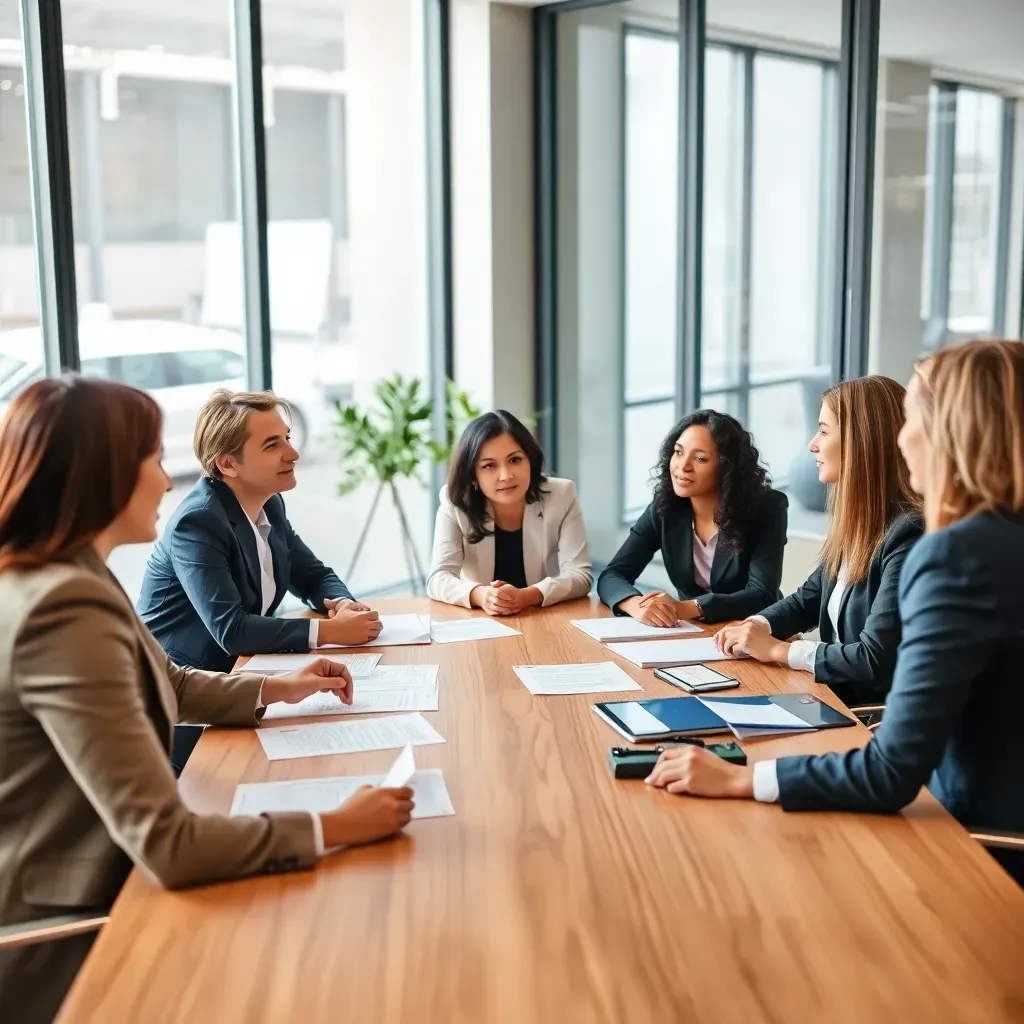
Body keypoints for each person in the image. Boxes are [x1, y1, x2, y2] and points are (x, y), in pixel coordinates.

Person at [0, 377, 415, 1023]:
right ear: (99, 476)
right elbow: (167, 843)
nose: (166, 481)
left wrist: (282, 686)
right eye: (150, 459)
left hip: (116, 874)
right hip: (83, 923)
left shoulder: (71, 572)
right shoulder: (63, 605)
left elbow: (171, 681)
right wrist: (337, 824)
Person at [645, 340, 1024, 885]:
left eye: (911, 417)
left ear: (951, 433)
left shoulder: (951, 556)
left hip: (972, 844)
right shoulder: (993, 541)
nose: (901, 437)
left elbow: (891, 772)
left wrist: (740, 776)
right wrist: (761, 627)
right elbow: (807, 597)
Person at [713, 377, 923, 707]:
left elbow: (872, 657)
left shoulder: (908, 534)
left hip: (866, 717)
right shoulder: (861, 523)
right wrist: (754, 626)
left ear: (860, 442)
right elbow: (806, 601)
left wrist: (778, 650)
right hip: (830, 698)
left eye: (824, 431)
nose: (813, 444)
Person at [597, 410, 787, 625]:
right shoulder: (665, 508)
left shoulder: (767, 507)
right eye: (678, 452)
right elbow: (612, 575)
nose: (683, 466)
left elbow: (762, 594)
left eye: (700, 458)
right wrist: (637, 605)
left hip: (754, 630)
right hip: (694, 631)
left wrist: (686, 607)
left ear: (727, 468)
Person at [426, 410, 592, 614]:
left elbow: (580, 575)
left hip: (543, 615)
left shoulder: (562, 494)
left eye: (515, 460)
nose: (505, 476)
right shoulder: (456, 501)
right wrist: (482, 595)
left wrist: (527, 596)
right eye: (489, 466)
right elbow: (438, 577)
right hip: (481, 620)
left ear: (530, 460)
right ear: (472, 476)